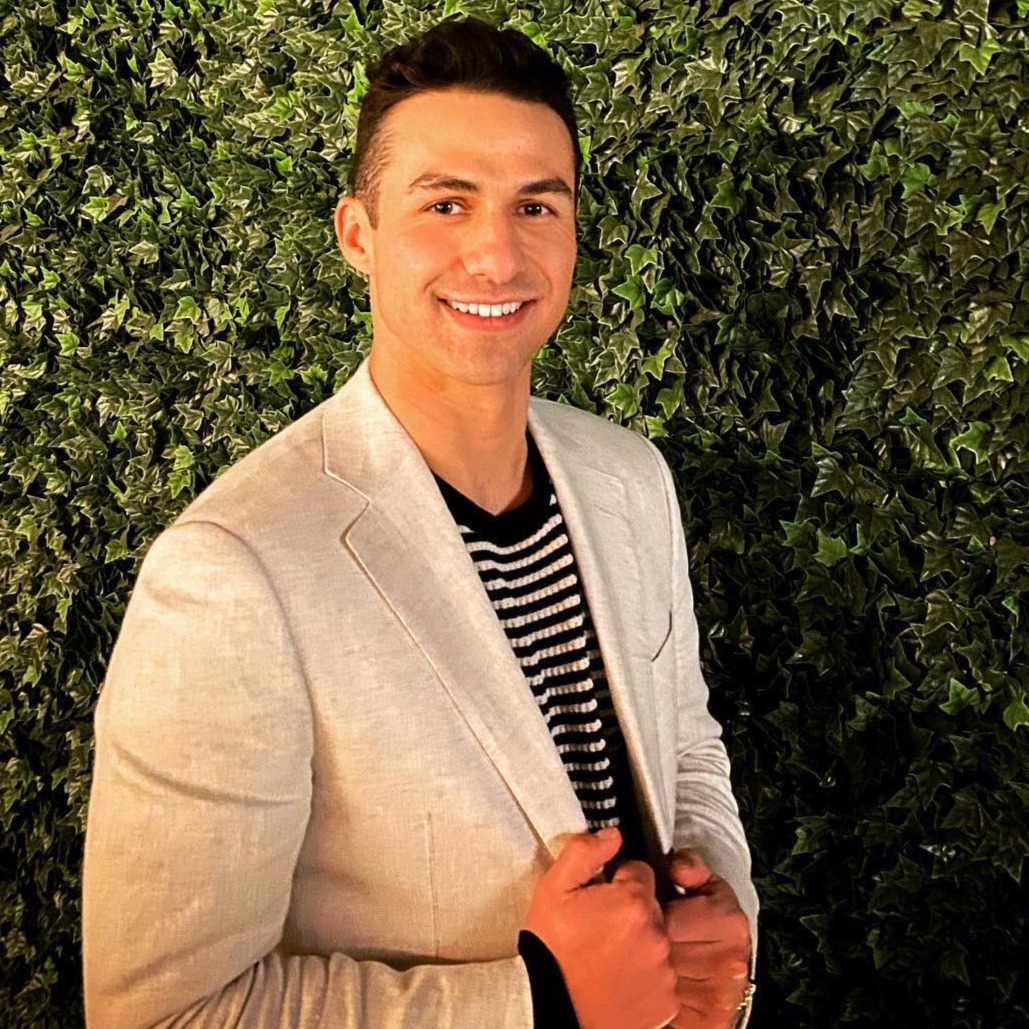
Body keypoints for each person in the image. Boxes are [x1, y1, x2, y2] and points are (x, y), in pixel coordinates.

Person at [82, 17, 758, 1029]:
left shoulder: (630, 479)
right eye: (447, 203)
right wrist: (538, 1001)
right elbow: (160, 1014)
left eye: (536, 205)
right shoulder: (229, 573)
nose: (497, 252)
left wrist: (717, 908)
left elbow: (688, 748)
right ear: (358, 233)